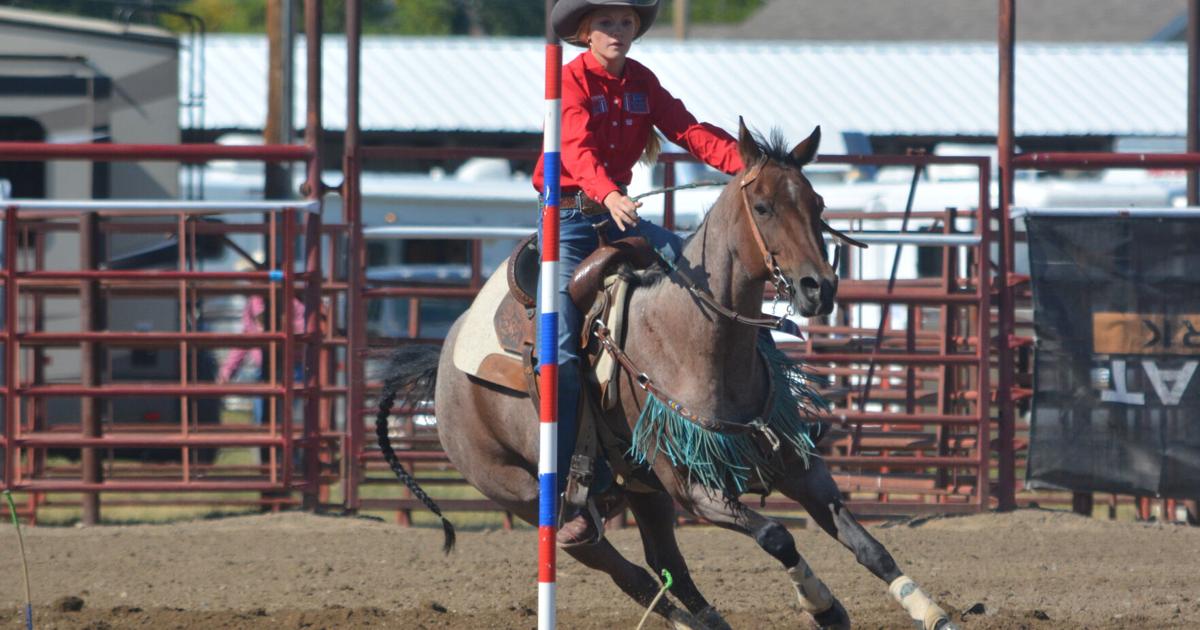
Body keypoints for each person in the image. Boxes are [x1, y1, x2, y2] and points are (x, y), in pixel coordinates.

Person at [532, 0, 746, 547]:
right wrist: (606, 193)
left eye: (626, 22)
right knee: (556, 347)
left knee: (703, 279)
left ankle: (752, 420)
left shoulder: (642, 82)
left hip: (616, 213)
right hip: (573, 218)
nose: (618, 31)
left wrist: (750, 166)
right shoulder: (571, 81)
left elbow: (689, 131)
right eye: (606, 22)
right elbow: (575, 149)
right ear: (584, 32)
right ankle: (565, 488)